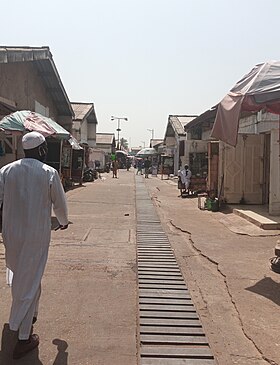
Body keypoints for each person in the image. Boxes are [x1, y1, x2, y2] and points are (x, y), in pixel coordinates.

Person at [0, 131, 68, 359]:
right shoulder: (48, 172)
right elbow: (59, 203)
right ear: (40, 150)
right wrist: (63, 221)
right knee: (28, 284)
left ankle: (31, 315)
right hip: (35, 236)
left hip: (12, 235)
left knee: (25, 277)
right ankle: (22, 337)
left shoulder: (6, 170)